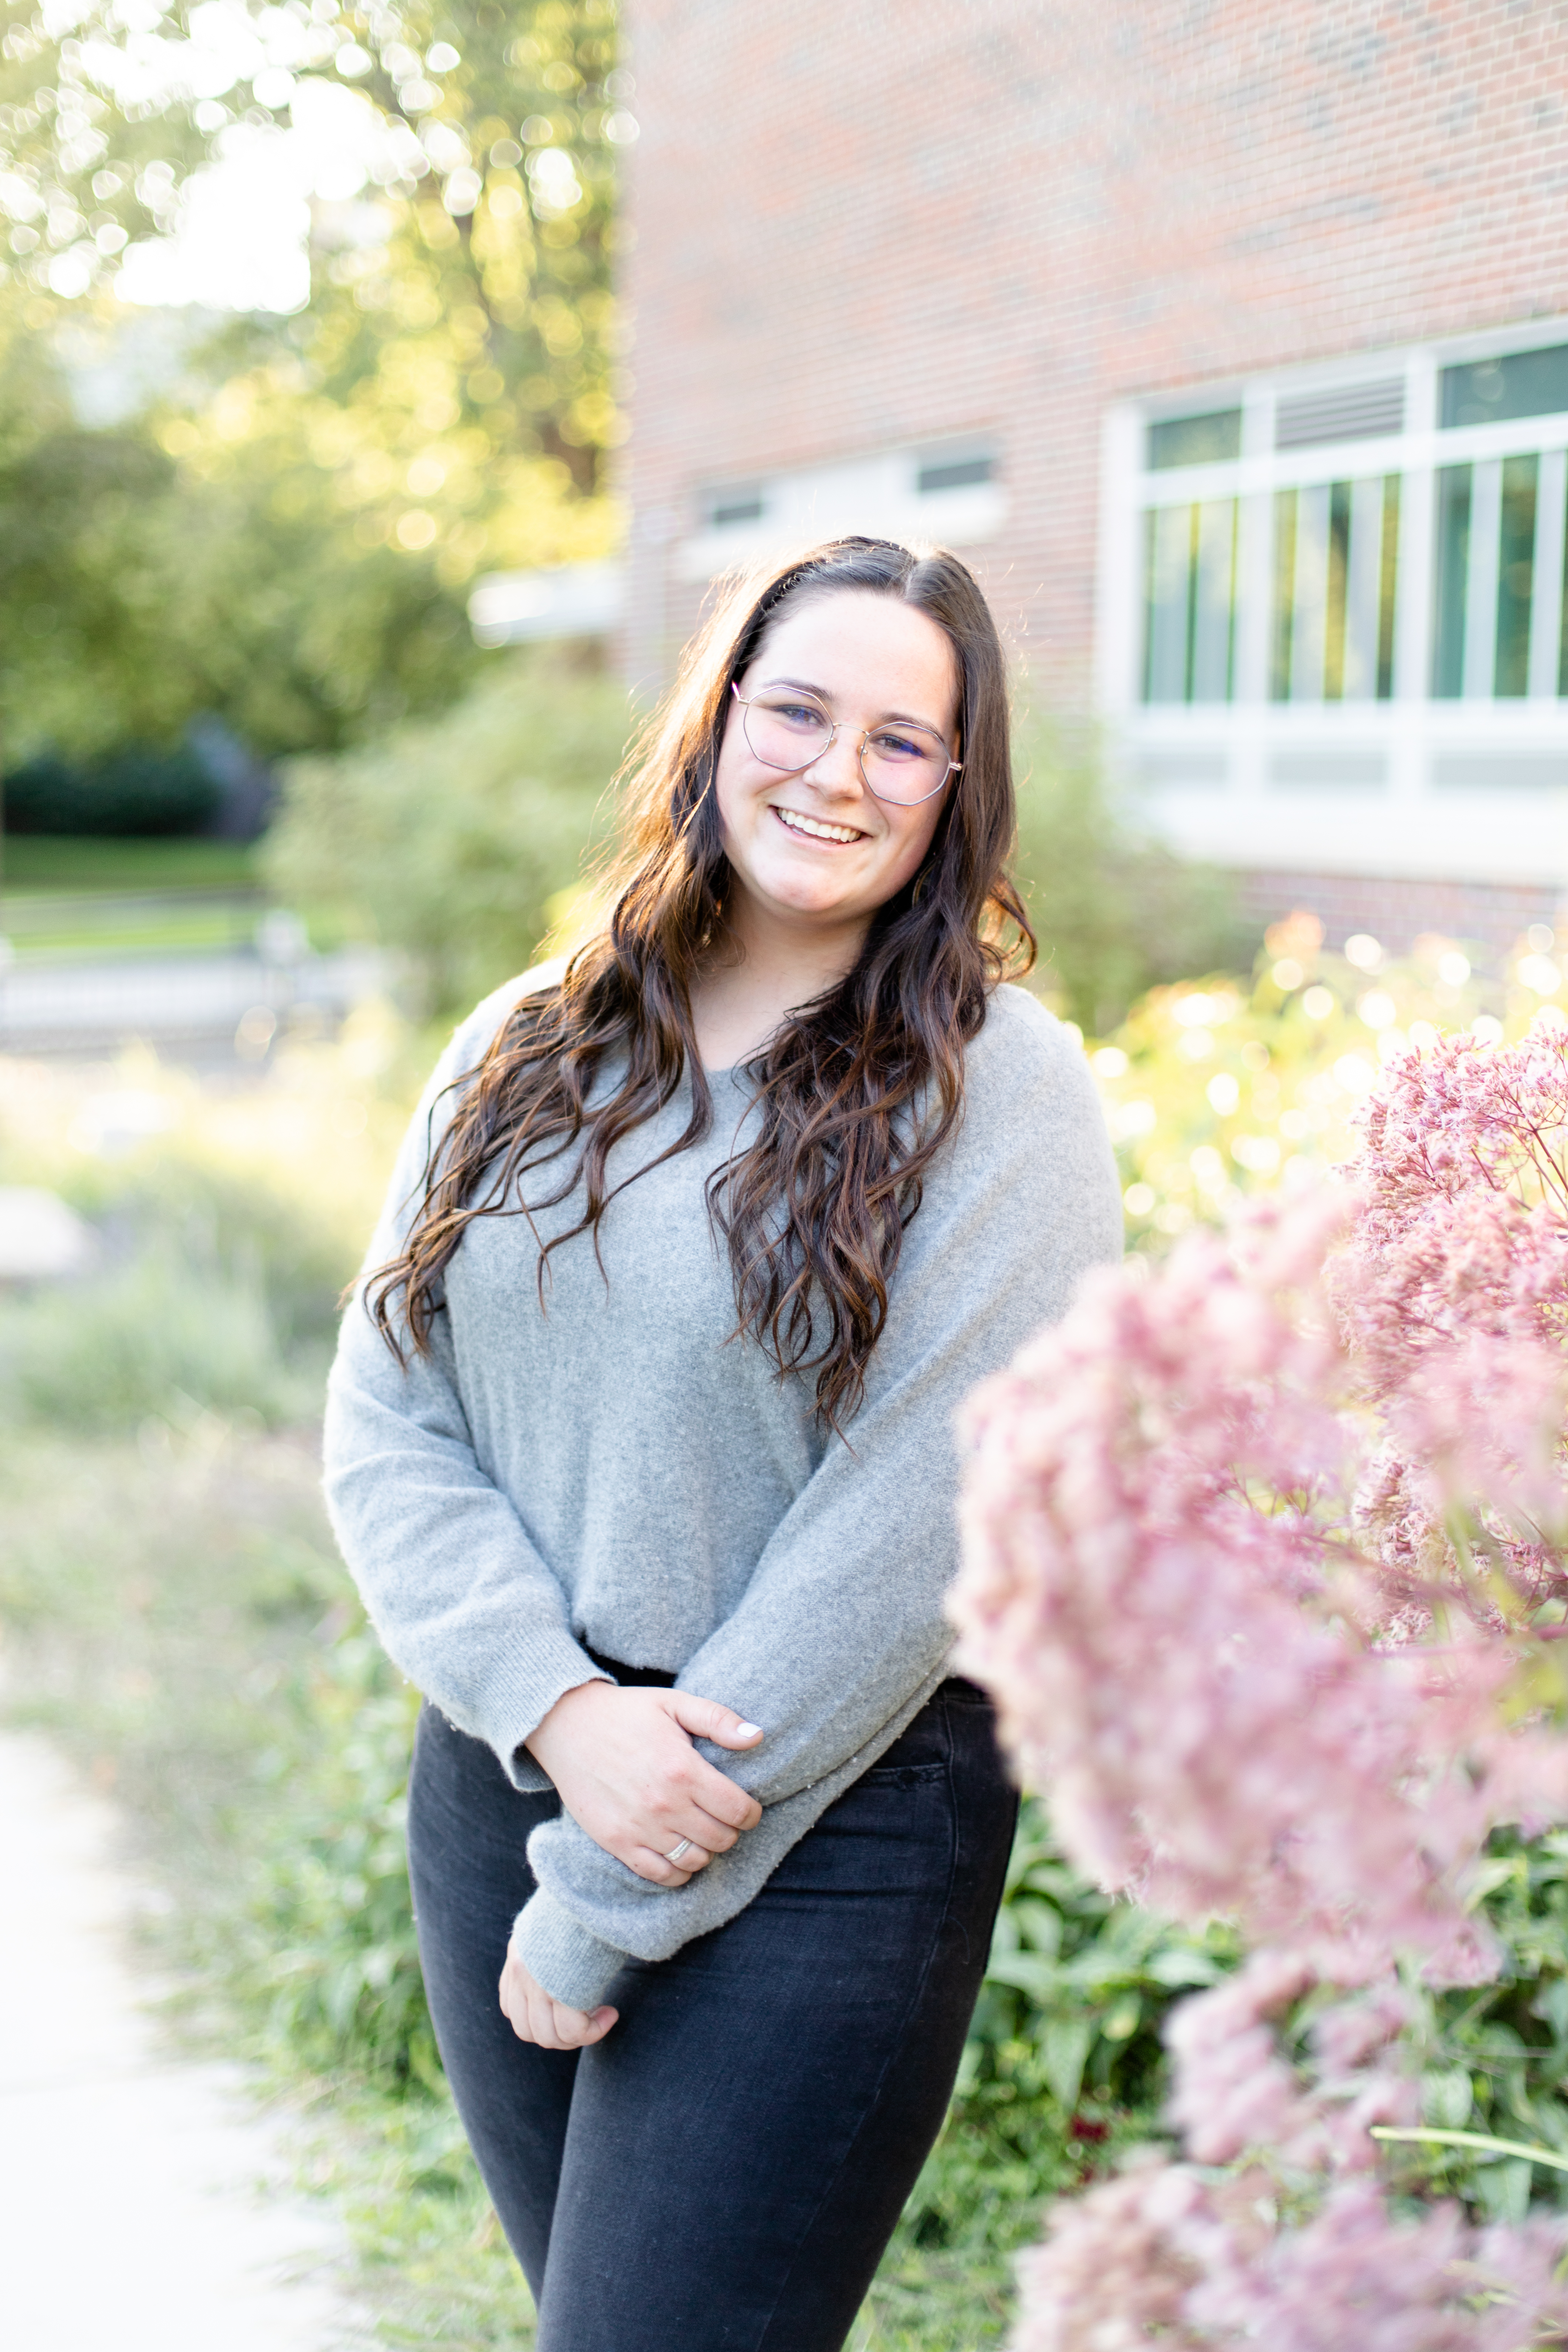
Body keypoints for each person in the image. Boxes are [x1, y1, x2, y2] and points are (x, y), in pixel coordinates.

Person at [323, 535, 1122, 2352]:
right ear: (715, 725)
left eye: (902, 742)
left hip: (827, 1821)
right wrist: (552, 1707)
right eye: (800, 710)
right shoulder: (527, 1042)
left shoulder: (1001, 1090)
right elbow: (389, 1410)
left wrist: (613, 1879)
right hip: (507, 1775)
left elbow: (920, 1519)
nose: (837, 773)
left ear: (955, 791)